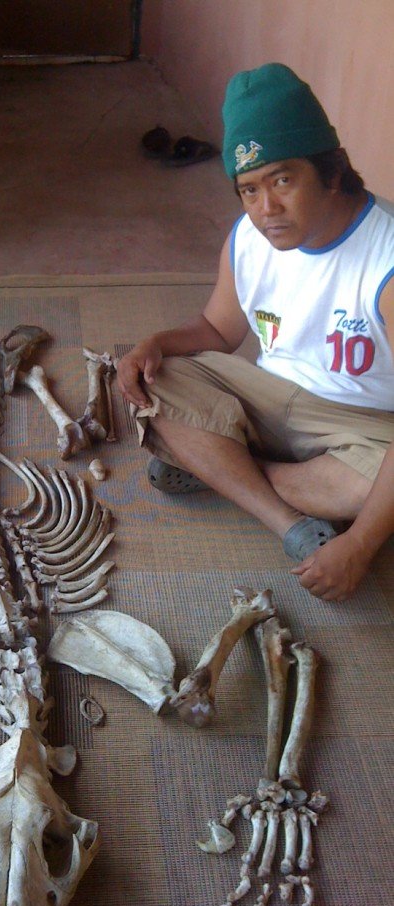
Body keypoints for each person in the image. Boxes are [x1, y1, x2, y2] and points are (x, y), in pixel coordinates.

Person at [117, 62, 394, 602]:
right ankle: (288, 520)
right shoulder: (249, 238)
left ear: (332, 171)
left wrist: (359, 545)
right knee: (157, 378)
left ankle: (226, 470)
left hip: (362, 424)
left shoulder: (386, 262)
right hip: (270, 399)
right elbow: (217, 330)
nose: (266, 209)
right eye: (248, 190)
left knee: (371, 487)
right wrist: (153, 346)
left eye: (283, 180)